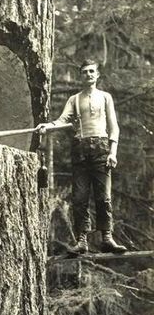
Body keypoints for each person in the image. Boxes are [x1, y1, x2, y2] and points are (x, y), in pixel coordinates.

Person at [36, 59, 126, 254]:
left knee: (103, 197)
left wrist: (113, 152)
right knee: (79, 198)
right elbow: (61, 121)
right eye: (85, 72)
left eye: (92, 71)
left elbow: (114, 127)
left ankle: (107, 238)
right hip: (80, 152)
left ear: (97, 75)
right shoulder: (74, 99)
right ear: (81, 75)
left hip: (101, 149)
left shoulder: (105, 97)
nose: (88, 75)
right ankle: (82, 241)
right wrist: (47, 126)